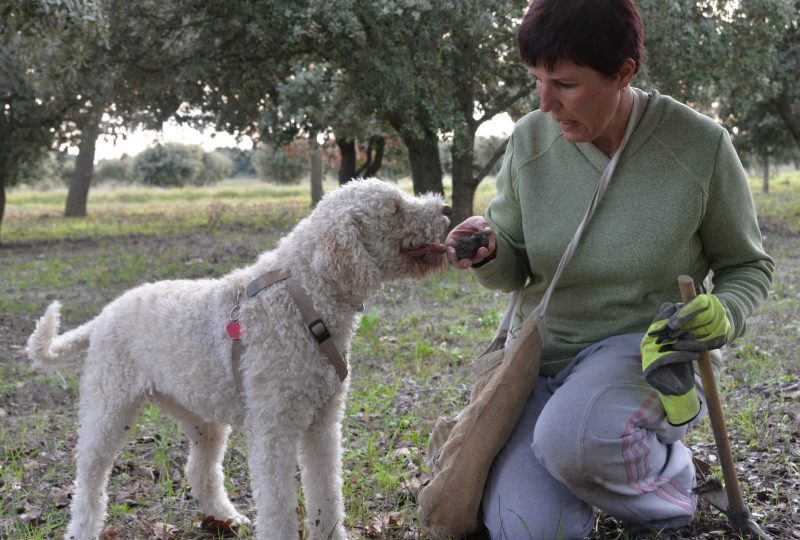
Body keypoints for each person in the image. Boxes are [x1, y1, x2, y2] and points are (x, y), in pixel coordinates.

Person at [444, 0, 774, 538]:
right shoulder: (530, 139)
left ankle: (672, 490)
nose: (546, 103)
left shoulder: (700, 147)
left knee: (572, 441)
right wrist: (488, 252)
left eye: (565, 84)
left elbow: (747, 265)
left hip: (640, 350)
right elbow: (515, 260)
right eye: (537, 80)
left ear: (624, 73)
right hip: (541, 359)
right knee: (527, 528)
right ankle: (594, 460)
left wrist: (726, 312)